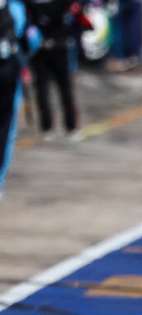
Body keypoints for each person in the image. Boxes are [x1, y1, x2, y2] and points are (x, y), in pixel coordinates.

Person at [0, 0, 41, 199]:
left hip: (9, 69)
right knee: (6, 129)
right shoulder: (16, 7)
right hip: (8, 71)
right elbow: (33, 39)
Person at [27, 0, 80, 139]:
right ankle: (48, 127)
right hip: (41, 48)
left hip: (58, 46)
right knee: (43, 89)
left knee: (64, 88)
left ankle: (70, 126)